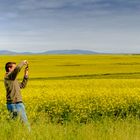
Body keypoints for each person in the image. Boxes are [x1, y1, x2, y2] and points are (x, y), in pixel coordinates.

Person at [4, 60, 30, 128]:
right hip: (16, 104)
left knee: (15, 125)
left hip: (13, 104)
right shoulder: (9, 76)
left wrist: (26, 75)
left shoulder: (12, 78)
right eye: (14, 68)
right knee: (26, 125)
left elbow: (22, 86)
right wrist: (23, 62)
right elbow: (17, 69)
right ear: (9, 68)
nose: (15, 69)